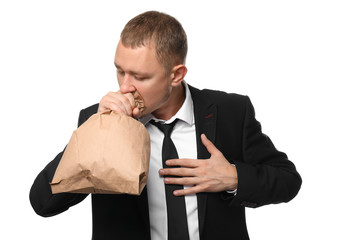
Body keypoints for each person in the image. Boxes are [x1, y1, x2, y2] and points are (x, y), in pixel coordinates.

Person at [30, 11, 302, 240]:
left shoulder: (231, 111)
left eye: (139, 76)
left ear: (176, 75)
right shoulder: (98, 119)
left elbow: (288, 180)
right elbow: (42, 202)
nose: (125, 86)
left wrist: (234, 178)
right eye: (120, 70)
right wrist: (97, 132)